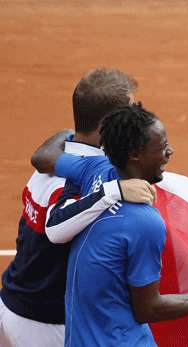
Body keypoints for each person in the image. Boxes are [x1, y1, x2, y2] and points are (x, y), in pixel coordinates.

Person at [31, 104, 188, 346]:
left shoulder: (96, 170)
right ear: (135, 154)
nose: (169, 152)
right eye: (162, 147)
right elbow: (148, 309)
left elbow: (44, 157)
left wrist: (67, 134)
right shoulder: (145, 223)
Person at [0, 68, 156, 346]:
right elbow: (55, 227)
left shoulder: (57, 154)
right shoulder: (82, 178)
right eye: (130, 110)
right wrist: (114, 191)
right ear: (108, 124)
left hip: (15, 305)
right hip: (46, 326)